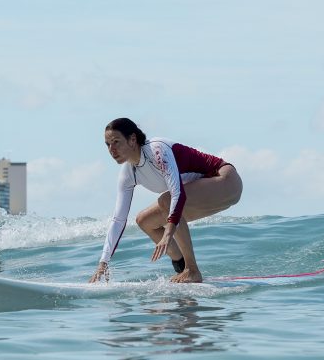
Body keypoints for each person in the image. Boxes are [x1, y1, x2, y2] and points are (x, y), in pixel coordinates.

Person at [90, 118, 242, 284]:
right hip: (203, 194)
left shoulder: (157, 150)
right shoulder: (128, 174)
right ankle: (182, 266)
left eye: (116, 142)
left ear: (132, 139)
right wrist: (103, 262)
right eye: (107, 144)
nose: (111, 149)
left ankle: (192, 270)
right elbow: (118, 220)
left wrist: (169, 232)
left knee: (166, 201)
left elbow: (178, 194)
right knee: (144, 220)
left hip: (225, 180)